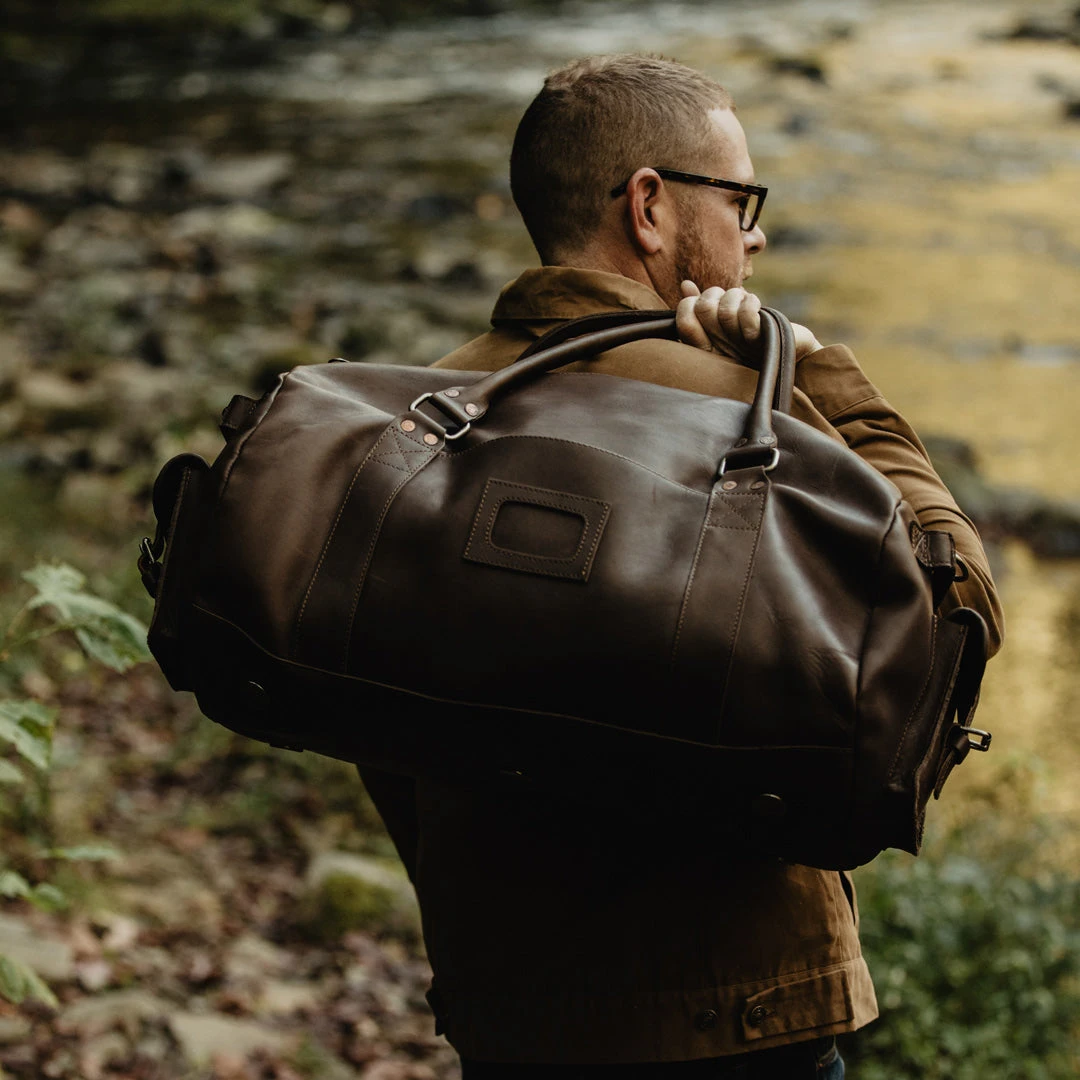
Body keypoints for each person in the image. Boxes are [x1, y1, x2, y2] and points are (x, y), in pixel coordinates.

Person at [358, 54, 1003, 1078]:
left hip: (514, 1020)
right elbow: (953, 608)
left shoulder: (416, 420)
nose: (755, 232)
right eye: (740, 198)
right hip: (744, 1022)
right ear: (650, 209)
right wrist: (819, 371)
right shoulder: (744, 408)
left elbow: (372, 722)